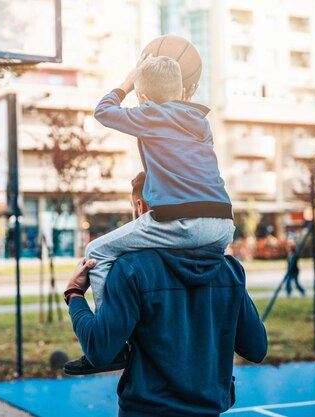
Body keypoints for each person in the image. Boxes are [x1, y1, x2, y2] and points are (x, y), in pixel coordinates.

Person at [64, 54, 235, 374]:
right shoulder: (200, 121)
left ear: (143, 97)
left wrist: (127, 83)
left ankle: (112, 344)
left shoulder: (150, 115)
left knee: (96, 251)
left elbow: (103, 112)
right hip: (223, 224)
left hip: (183, 221)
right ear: (183, 92)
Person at [64, 172, 268, 417]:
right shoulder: (229, 270)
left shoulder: (130, 269)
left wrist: (74, 294)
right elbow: (256, 349)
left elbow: (100, 350)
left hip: (147, 410)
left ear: (140, 207)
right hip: (209, 408)